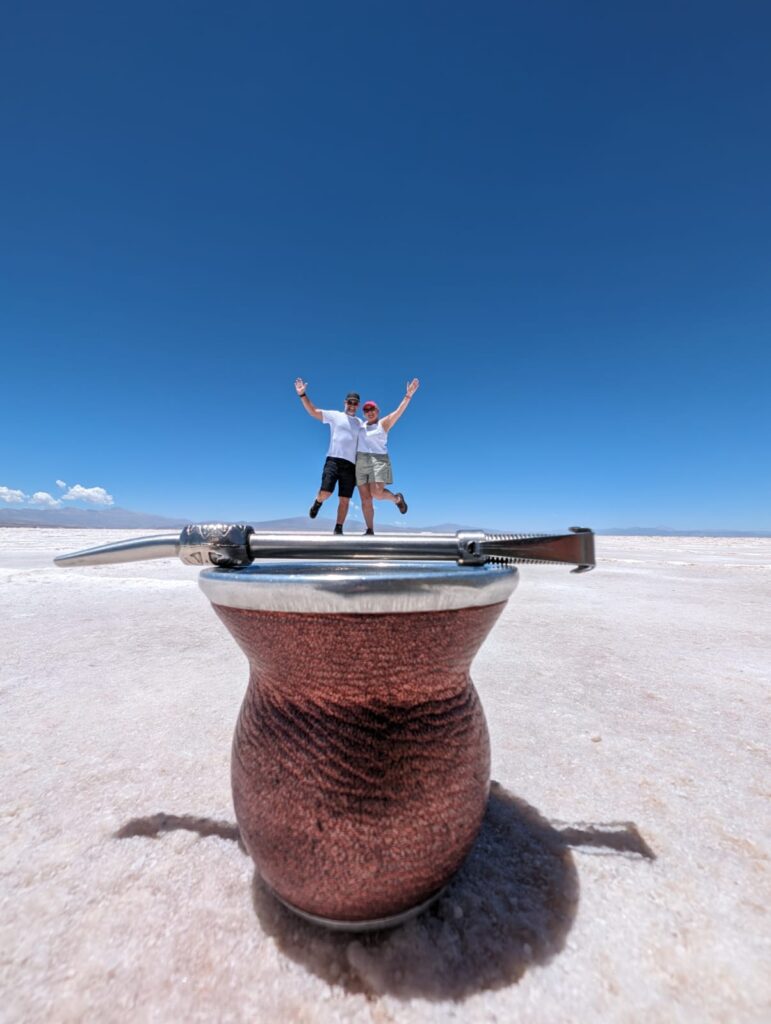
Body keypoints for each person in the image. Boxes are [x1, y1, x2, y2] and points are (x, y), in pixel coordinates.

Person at [294, 378, 362, 534]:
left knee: (345, 499)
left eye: (355, 403)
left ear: (357, 406)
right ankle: (317, 502)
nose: (352, 405)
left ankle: (338, 528)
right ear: (345, 402)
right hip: (333, 461)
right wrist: (302, 394)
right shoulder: (335, 416)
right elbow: (313, 411)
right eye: (350, 402)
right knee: (326, 493)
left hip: (351, 466)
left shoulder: (360, 423)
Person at [356, 378, 420, 535]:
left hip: (379, 460)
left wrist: (408, 396)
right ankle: (370, 529)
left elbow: (398, 412)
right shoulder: (360, 426)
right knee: (366, 499)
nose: (369, 412)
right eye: (366, 410)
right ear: (363, 414)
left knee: (377, 494)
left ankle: (397, 499)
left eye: (372, 409)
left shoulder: (383, 424)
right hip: (361, 462)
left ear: (377, 411)